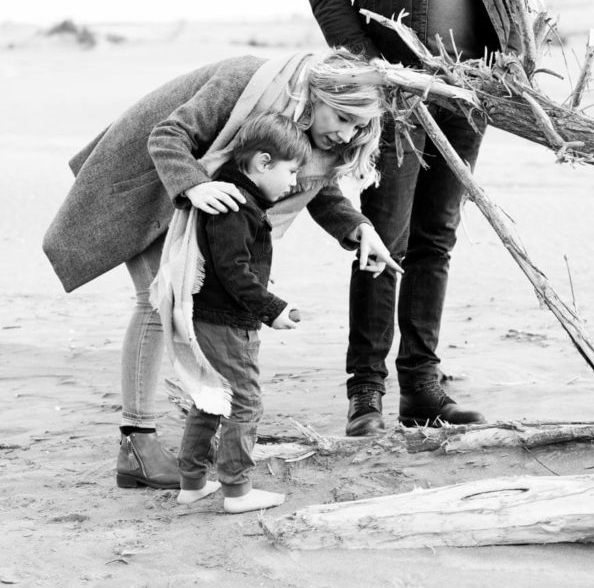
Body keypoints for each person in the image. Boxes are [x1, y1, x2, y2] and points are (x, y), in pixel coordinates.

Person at [43, 49, 400, 487]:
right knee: (157, 300)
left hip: (197, 193)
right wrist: (194, 186)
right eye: (342, 118)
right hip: (149, 178)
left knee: (191, 306)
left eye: (359, 127)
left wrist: (359, 229)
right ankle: (137, 443)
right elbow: (168, 134)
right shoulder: (249, 80)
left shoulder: (299, 126)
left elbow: (313, 186)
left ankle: (199, 432)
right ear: (318, 94)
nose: (347, 135)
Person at [308, 0, 530, 436]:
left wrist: (510, 69)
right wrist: (375, 75)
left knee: (435, 240)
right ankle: (365, 394)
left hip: (467, 95)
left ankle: (422, 389)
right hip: (394, 97)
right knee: (382, 239)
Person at [174, 111, 310, 514]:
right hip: (227, 323)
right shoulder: (236, 204)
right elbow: (233, 271)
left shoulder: (234, 196)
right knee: (244, 402)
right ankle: (237, 490)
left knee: (209, 400)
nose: (295, 183)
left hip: (211, 317)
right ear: (263, 162)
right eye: (291, 171)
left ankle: (192, 482)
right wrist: (272, 308)